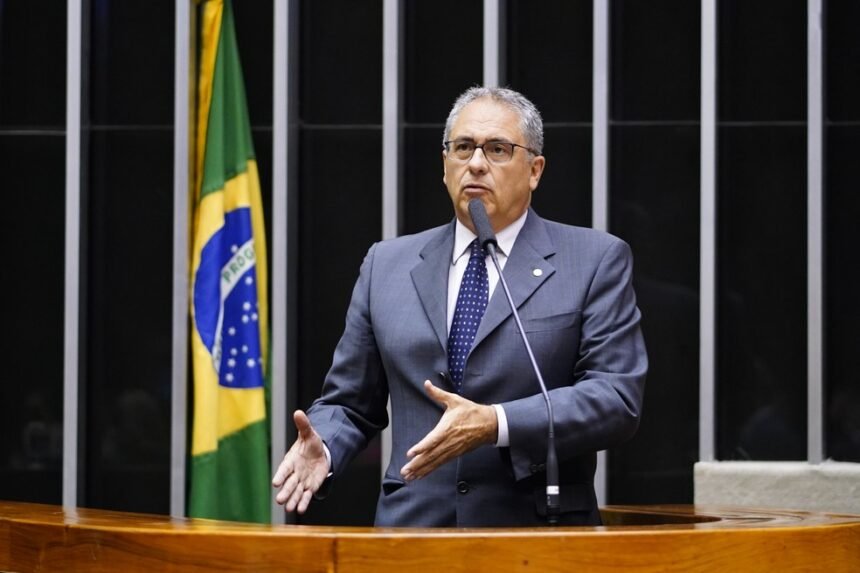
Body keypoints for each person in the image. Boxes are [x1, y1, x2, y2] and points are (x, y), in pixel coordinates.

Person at [272, 86, 647, 527]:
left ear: (535, 170)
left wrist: (496, 422)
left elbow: (615, 398)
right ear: (445, 164)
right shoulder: (386, 265)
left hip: (536, 533)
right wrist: (327, 444)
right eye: (463, 147)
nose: (476, 163)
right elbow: (351, 403)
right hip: (412, 535)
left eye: (497, 149)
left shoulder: (592, 260)